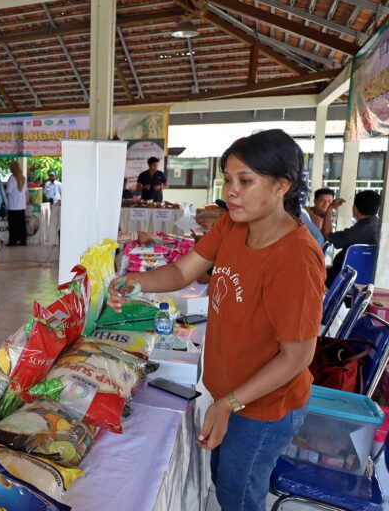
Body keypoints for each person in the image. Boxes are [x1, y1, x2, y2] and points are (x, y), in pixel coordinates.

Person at [109, 129, 323, 511]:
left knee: (238, 497)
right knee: (225, 481)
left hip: (264, 406)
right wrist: (134, 282)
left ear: (281, 186)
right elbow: (181, 273)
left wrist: (226, 404)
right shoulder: (232, 225)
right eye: (227, 178)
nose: (231, 191)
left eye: (245, 180)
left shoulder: (296, 259)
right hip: (232, 393)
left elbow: (297, 357)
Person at [322, 190, 380, 287]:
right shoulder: (377, 225)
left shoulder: (358, 231)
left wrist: (330, 208)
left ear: (355, 208)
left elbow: (327, 235)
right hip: (364, 279)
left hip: (343, 279)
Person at [5, 161, 28, 246]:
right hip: (21, 205)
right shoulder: (23, 178)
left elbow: (8, 191)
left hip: (13, 206)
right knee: (21, 224)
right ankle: (23, 241)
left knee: (13, 225)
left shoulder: (12, 178)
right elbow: (25, 190)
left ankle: (13, 241)